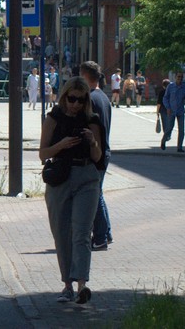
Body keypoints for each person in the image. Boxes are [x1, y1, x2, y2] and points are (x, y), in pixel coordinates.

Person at [39, 76, 104, 305]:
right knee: (61, 232)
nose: (75, 104)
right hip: (60, 179)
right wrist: (62, 145)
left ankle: (82, 285)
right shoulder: (53, 118)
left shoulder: (92, 120)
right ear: (64, 96)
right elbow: (43, 153)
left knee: (82, 233)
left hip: (86, 177)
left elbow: (98, 157)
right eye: (72, 98)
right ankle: (67, 285)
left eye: (81, 99)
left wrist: (92, 142)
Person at [79, 61, 113, 251]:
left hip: (96, 152)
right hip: (105, 150)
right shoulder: (104, 98)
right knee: (98, 192)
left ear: (85, 77)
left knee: (94, 195)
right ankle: (105, 233)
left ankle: (100, 236)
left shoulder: (90, 99)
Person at [161, 72, 185, 153]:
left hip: (180, 111)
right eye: (178, 76)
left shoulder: (184, 88)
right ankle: (163, 141)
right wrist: (167, 107)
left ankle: (179, 147)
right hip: (171, 110)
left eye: (181, 77)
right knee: (169, 127)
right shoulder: (170, 86)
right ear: (175, 77)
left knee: (181, 130)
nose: (180, 78)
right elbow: (165, 98)